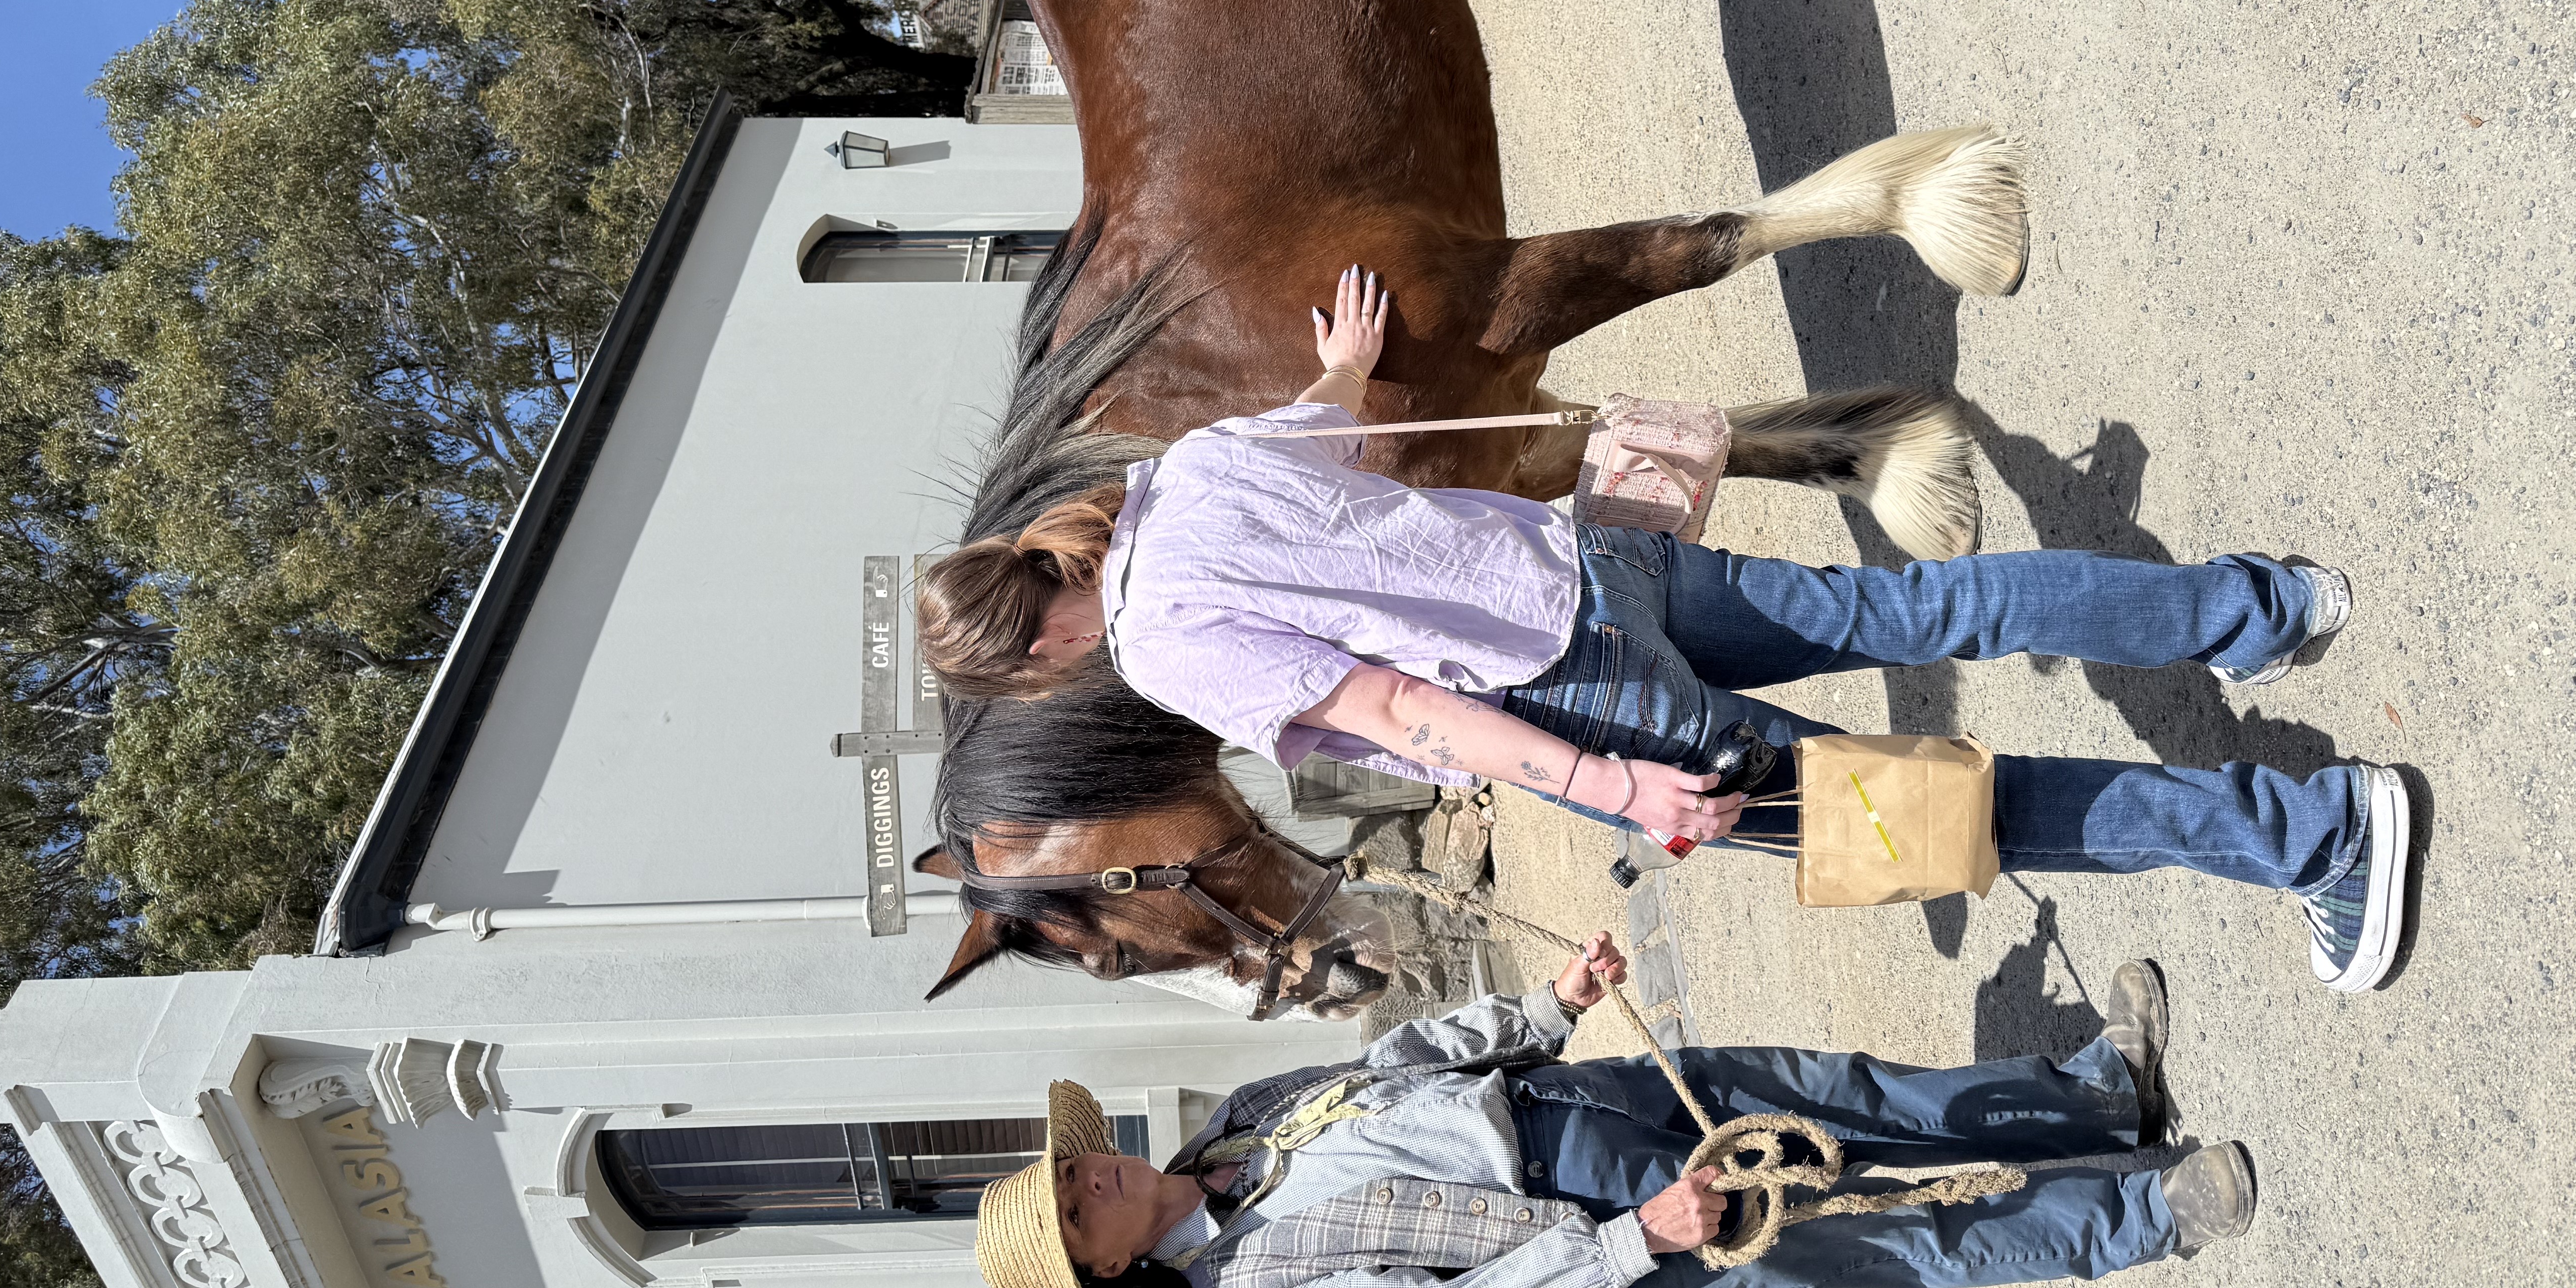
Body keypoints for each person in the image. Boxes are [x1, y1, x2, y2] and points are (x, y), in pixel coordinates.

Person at [921, 268, 2412, 992]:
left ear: (1038, 656)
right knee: (1921, 606)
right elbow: (1341, 438)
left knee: (1950, 820)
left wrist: (1616, 788)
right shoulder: (1182, 473)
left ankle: (2318, 834)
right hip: (1591, 566)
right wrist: (1344, 365)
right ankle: (2258, 606)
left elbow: (1402, 711)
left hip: (1592, 710)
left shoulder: (1163, 648)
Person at [972, 935, 2252, 1288]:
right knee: (1885, 1229)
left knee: (1844, 1096)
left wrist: (1544, 1009)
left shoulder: (1234, 1125)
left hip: (1573, 1100)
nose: (1095, 1179)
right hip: (1611, 1234)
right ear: (1113, 1271)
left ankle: (2095, 1100)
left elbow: (1400, 1064)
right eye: (1080, 1212)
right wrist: (1641, 1239)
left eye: (1072, 1171)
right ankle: (2152, 1215)